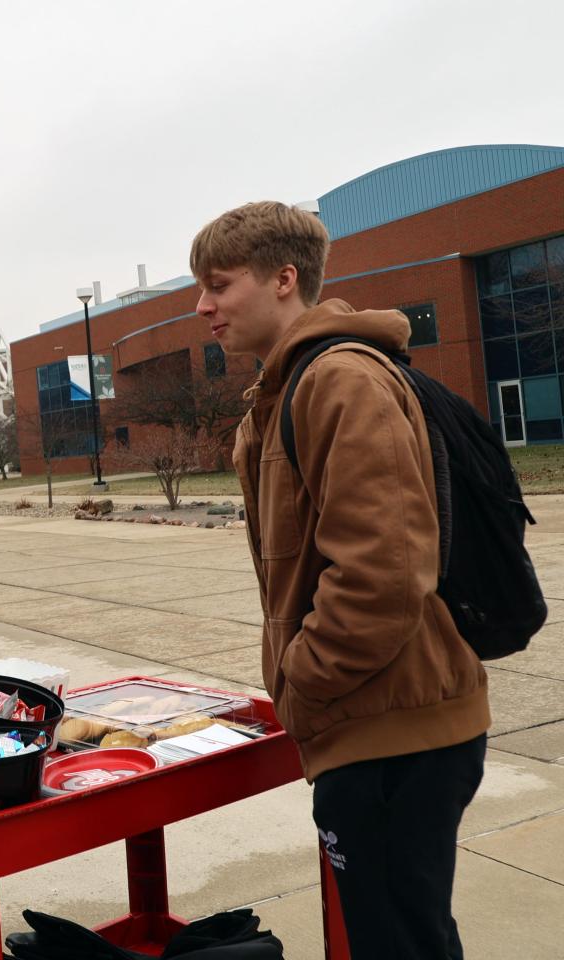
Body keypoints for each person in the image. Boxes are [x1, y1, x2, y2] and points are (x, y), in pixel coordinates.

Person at [191, 202, 490, 959]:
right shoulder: (285, 391)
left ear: (284, 279)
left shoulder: (338, 382)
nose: (203, 307)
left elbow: (385, 572)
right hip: (369, 723)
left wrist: (303, 681)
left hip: (392, 732)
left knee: (402, 942)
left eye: (218, 285)